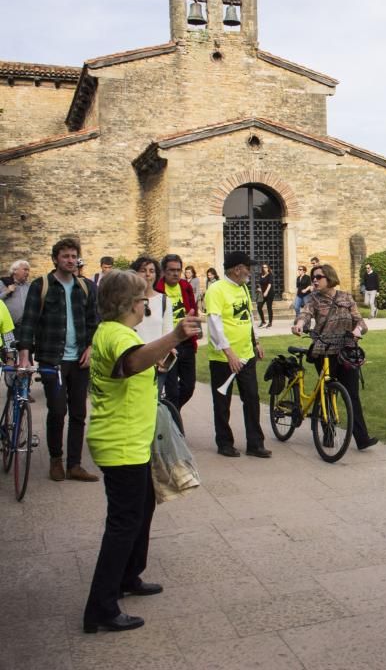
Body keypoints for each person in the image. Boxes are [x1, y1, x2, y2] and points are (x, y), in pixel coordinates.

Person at [81, 269, 200, 634]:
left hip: (133, 438)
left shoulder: (120, 333)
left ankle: (129, 575)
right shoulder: (116, 333)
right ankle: (101, 606)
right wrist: (175, 335)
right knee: (123, 522)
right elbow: (130, 363)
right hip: (121, 443)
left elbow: (136, 365)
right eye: (142, 297)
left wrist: (161, 357)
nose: (145, 302)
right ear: (131, 303)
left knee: (142, 507)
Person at [17, 237, 100, 482]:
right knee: (57, 410)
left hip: (80, 359)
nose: (71, 260)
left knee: (78, 412)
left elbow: (94, 321)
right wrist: (24, 352)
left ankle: (74, 464)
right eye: (66, 256)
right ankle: (56, 459)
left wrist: (92, 347)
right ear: (55, 259)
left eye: (74, 256)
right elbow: (29, 319)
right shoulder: (41, 285)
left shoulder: (85, 287)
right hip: (52, 358)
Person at [292, 263, 377, 450]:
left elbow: (360, 321)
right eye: (313, 277)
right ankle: (328, 434)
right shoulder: (313, 299)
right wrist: (299, 324)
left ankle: (362, 439)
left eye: (318, 277)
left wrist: (357, 330)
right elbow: (305, 314)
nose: (314, 280)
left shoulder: (346, 297)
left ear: (330, 278)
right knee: (327, 393)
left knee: (352, 395)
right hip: (323, 351)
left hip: (346, 352)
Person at [204, 251, 270, 458]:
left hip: (246, 354)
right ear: (237, 269)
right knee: (222, 402)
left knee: (251, 398)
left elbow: (248, 316)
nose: (250, 271)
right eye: (247, 267)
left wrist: (256, 341)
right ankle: (224, 442)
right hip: (224, 359)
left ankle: (255, 443)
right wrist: (229, 353)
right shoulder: (216, 290)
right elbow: (214, 324)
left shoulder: (243, 288)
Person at [154, 255, 198, 411]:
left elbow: (193, 310)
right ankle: (173, 425)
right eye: (171, 270)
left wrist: (194, 335)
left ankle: (171, 413)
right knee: (172, 391)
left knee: (188, 387)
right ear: (164, 271)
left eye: (178, 270)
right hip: (168, 344)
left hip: (186, 343)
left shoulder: (185, 286)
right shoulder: (157, 288)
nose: (175, 274)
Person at [130, 257, 174, 380]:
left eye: (152, 271)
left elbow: (168, 333)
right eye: (143, 270)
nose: (148, 274)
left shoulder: (164, 300)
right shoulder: (128, 299)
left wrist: (163, 354)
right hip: (134, 361)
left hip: (156, 361)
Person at [0, 259, 31, 330]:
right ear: (15, 271)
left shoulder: (29, 286)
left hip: (26, 327)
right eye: (25, 270)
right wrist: (6, 292)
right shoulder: (2, 283)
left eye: (28, 270)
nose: (27, 273)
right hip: (8, 328)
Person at [257, 263, 274, 328]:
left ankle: (270, 322)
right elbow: (259, 283)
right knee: (259, 306)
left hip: (269, 293)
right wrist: (259, 288)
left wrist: (266, 292)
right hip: (261, 293)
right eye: (263, 267)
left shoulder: (270, 275)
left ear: (268, 268)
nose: (265, 268)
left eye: (266, 267)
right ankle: (263, 321)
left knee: (269, 307)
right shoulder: (261, 274)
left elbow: (270, 284)